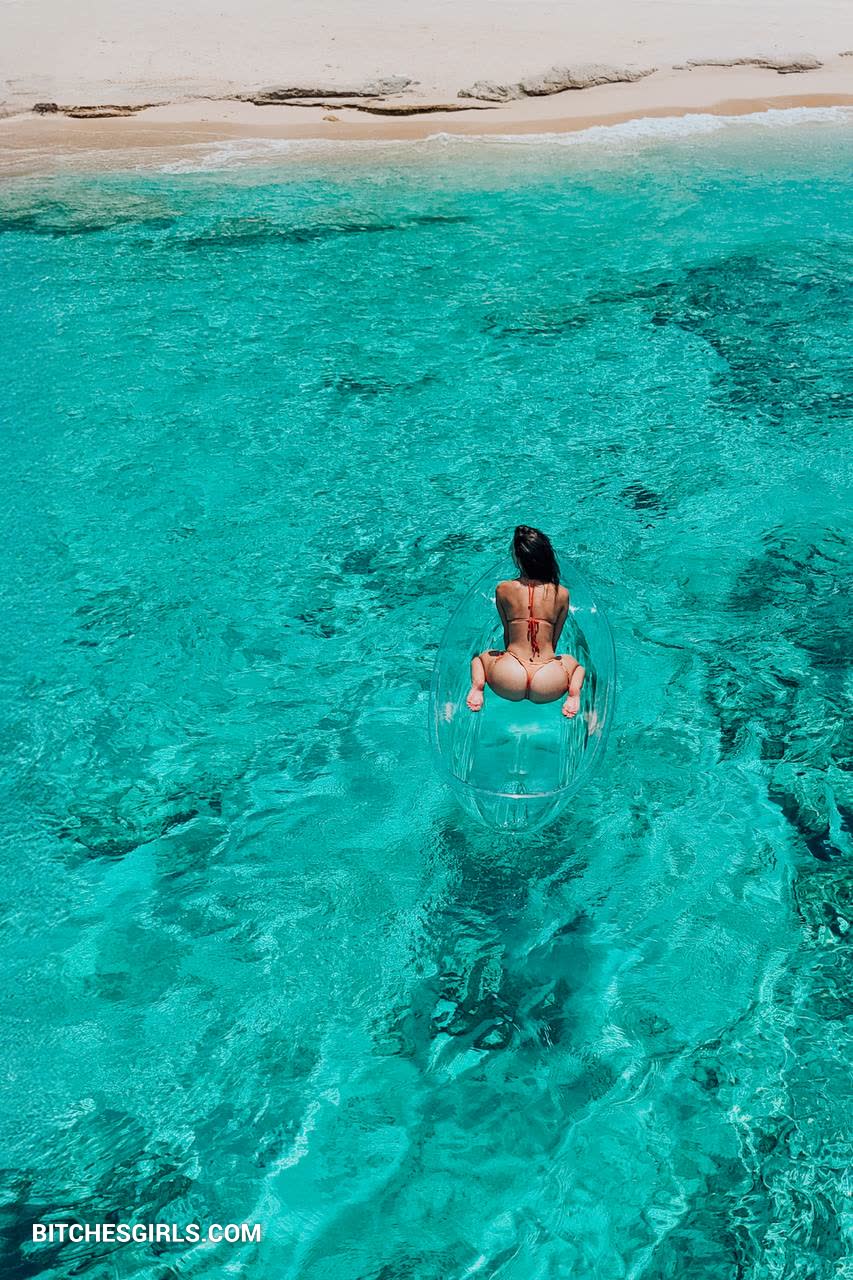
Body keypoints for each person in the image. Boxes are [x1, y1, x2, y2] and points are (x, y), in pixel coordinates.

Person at [466, 525, 586, 718]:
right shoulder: (562, 593)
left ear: (518, 558)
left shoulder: (503, 589)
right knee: (577, 667)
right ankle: (574, 694)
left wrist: (507, 659)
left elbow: (508, 633)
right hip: (548, 682)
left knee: (479, 659)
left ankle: (477, 687)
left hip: (508, 678)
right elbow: (554, 641)